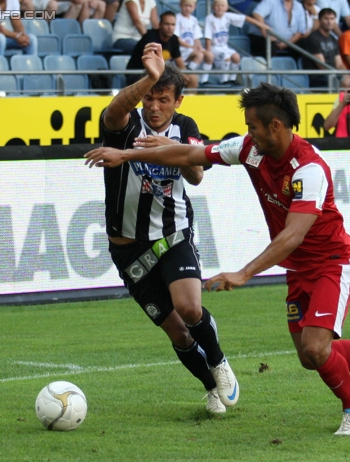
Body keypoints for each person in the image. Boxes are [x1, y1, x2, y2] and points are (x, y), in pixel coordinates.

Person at [85, 81, 350, 436]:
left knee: (316, 348)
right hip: (299, 268)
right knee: (310, 355)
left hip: (332, 262)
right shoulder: (250, 148)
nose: (247, 132)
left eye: (253, 125)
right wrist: (125, 155)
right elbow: (193, 156)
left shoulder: (308, 170)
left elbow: (293, 235)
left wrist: (244, 272)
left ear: (275, 127)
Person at [84, 43, 239, 415]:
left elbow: (197, 175)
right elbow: (115, 110)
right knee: (177, 333)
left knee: (188, 307)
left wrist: (173, 146)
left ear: (178, 102)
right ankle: (210, 387)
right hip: (128, 250)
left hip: (173, 236)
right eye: (150, 98)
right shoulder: (126, 126)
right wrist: (149, 76)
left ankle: (218, 362)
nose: (154, 106)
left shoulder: (185, 128)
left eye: (163, 99)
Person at [126, 11, 199, 89]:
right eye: (166, 24)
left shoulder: (174, 39)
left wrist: (185, 75)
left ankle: (189, 100)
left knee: (192, 78)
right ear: (160, 25)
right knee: (165, 80)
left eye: (173, 24)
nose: (170, 28)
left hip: (159, 73)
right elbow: (153, 64)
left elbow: (180, 62)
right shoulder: (150, 37)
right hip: (139, 74)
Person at [204, 0, 268, 85]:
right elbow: (207, 36)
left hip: (224, 47)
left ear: (227, 8)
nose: (220, 8)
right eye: (217, 6)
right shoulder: (209, 18)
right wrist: (208, 50)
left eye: (222, 6)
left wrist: (261, 25)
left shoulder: (227, 16)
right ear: (213, 7)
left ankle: (232, 79)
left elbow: (245, 18)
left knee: (236, 57)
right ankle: (223, 79)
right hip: (214, 47)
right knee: (226, 57)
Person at [300, 7, 346, 87]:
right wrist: (340, 77)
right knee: (347, 83)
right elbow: (322, 65)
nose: (329, 22)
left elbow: (339, 64)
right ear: (320, 20)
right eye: (326, 19)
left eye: (332, 19)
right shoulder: (313, 38)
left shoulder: (333, 39)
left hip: (332, 74)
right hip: (318, 76)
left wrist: (347, 74)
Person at [176, 0, 214, 85]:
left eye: (190, 6)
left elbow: (197, 37)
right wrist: (190, 47)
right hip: (182, 49)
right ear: (180, 5)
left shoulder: (194, 20)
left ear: (195, 7)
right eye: (186, 6)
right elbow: (176, 38)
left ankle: (204, 80)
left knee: (209, 55)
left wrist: (199, 46)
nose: (188, 8)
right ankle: (188, 72)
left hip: (191, 49)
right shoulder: (177, 18)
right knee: (199, 55)